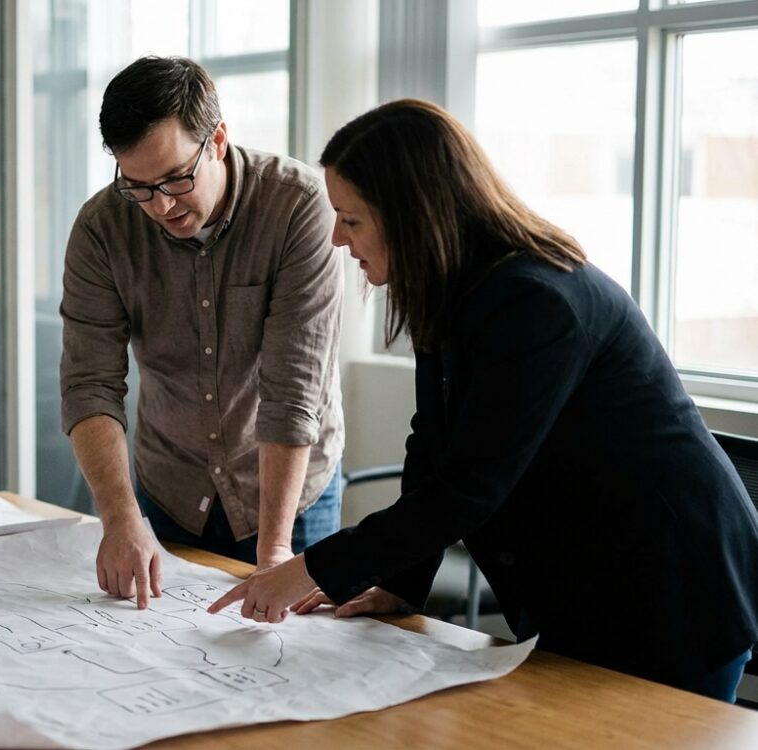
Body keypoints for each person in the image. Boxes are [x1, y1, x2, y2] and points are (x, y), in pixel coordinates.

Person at [209, 99, 758, 702]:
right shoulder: (449, 290)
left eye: (352, 219)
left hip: (669, 586)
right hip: (580, 577)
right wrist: (403, 586)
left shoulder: (534, 301)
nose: (337, 238)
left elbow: (469, 486)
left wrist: (309, 569)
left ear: (411, 215)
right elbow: (433, 446)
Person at [60, 56, 345, 609]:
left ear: (217, 140)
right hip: (169, 490)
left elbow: (293, 391)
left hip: (291, 499)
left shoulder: (297, 206)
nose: (160, 205)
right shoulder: (101, 229)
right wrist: (121, 519)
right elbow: (90, 384)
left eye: (174, 179)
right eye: (138, 186)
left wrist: (276, 552)